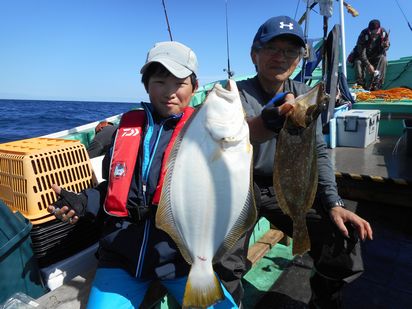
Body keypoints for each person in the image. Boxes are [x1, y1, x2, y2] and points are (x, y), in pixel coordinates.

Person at [47, 41, 239, 309]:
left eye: (179, 84)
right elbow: (114, 188)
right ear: (146, 85)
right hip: (120, 259)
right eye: (160, 82)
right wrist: (84, 201)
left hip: (180, 259)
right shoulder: (125, 130)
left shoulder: (206, 134)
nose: (170, 92)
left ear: (195, 87)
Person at [217, 16, 373, 309]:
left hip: (289, 189)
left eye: (291, 51)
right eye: (272, 48)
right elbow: (227, 141)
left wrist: (333, 201)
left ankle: (322, 303)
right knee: (223, 260)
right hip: (240, 190)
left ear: (300, 58)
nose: (281, 57)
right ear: (254, 54)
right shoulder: (232, 95)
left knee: (340, 237)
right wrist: (266, 121)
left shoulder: (304, 94)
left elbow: (318, 150)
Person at [349, 19, 390, 90]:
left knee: (383, 59)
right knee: (358, 62)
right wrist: (368, 65)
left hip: (376, 56)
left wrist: (386, 46)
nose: (373, 35)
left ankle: (377, 83)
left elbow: (386, 47)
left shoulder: (383, 32)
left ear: (379, 29)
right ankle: (361, 84)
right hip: (363, 57)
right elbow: (361, 52)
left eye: (375, 33)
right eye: (371, 32)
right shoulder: (363, 34)